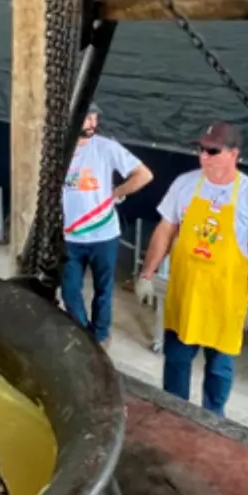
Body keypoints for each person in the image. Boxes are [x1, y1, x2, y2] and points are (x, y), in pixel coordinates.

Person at [133, 122, 248, 418]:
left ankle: (214, 421)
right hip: (186, 296)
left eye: (212, 150)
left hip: (225, 303)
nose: (204, 156)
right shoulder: (185, 184)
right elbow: (165, 230)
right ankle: (174, 415)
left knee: (219, 369)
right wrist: (146, 274)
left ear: (234, 154)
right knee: (175, 361)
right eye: (200, 149)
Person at [59, 105, 152, 346]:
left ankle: (100, 337)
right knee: (70, 291)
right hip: (70, 236)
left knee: (103, 291)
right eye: (85, 117)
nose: (91, 122)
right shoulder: (58, 149)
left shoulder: (106, 147)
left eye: (94, 117)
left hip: (103, 235)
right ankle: (82, 335)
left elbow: (143, 175)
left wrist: (117, 193)